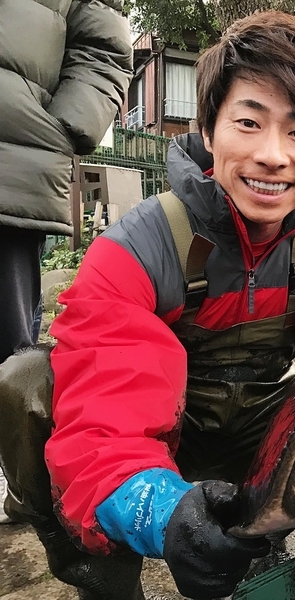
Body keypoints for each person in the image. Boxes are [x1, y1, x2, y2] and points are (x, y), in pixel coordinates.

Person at [0, 10, 295, 600]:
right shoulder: (137, 248)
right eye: (248, 122)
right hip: (160, 434)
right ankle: (102, 577)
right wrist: (163, 514)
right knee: (28, 385)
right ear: (209, 130)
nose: (273, 156)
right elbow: (106, 426)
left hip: (253, 435)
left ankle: (263, 538)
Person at [0, 0, 133, 525]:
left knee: (11, 353)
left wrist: (64, 125)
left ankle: (26, 484)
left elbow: (105, 37)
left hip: (11, 161)